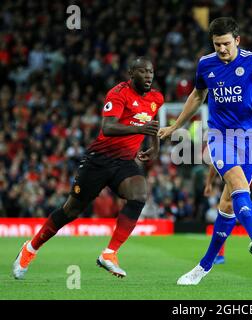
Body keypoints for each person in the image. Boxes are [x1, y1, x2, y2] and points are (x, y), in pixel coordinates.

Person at [159, 17, 252, 285]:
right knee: (236, 184)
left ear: (237, 40)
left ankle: (204, 266)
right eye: (216, 44)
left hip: (250, 138)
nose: (221, 49)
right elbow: (198, 96)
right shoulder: (205, 64)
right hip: (220, 136)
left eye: (225, 43)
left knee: (227, 204)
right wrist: (175, 125)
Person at [12, 57, 163, 279]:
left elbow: (153, 123)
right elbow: (108, 127)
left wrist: (155, 146)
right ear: (131, 73)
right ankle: (30, 249)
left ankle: (109, 253)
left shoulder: (156, 98)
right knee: (70, 210)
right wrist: (140, 127)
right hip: (98, 160)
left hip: (124, 162)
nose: (148, 76)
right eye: (142, 71)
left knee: (139, 194)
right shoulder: (118, 94)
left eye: (150, 72)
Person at [204, 149, 252, 265]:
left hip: (247, 188)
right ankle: (220, 255)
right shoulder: (228, 144)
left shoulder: (249, 140)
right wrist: (209, 183)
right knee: (226, 215)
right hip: (231, 184)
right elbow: (214, 164)